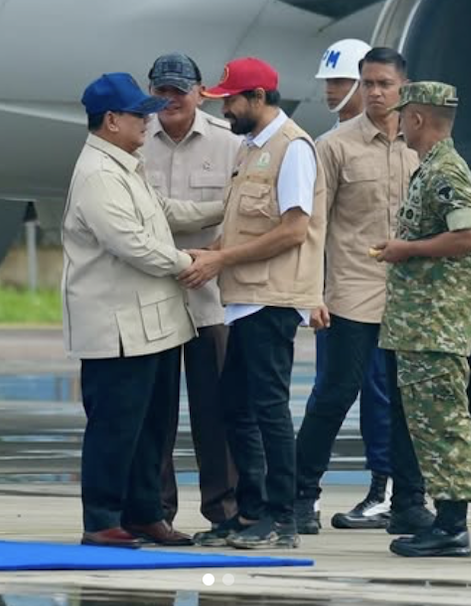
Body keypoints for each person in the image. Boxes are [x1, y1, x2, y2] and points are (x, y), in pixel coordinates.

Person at [61, 72, 222, 548]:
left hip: (152, 323)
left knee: (153, 427)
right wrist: (187, 263)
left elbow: (166, 213)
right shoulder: (97, 174)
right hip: (117, 328)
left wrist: (226, 206)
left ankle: (145, 513)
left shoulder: (124, 164)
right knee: (115, 426)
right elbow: (129, 242)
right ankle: (103, 519)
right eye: (139, 114)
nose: (148, 122)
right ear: (111, 121)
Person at [178, 57, 326, 550]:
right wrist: (212, 254)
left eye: (232, 101)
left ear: (258, 98)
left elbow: (293, 229)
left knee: (267, 409)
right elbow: (244, 225)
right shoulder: (250, 149)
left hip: (272, 299)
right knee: (234, 407)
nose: (225, 110)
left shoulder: (293, 149)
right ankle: (250, 512)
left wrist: (223, 261)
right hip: (243, 301)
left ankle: (281, 517)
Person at [294, 47, 427, 536]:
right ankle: (300, 495)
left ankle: (409, 502)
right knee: (334, 395)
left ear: (402, 87)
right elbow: (314, 227)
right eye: (367, 83)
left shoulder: (423, 143)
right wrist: (311, 293)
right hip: (351, 290)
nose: (374, 92)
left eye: (384, 84)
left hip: (408, 296)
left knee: (405, 400)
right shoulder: (334, 146)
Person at [375, 81, 471, 558]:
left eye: (404, 115)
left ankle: (453, 526)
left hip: (436, 324)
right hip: (420, 324)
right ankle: (444, 520)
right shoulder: (429, 169)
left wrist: (407, 250)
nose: (398, 123)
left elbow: (470, 237)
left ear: (417, 119)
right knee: (428, 424)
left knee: (443, 424)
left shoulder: (446, 172)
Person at [142, 53, 242, 531]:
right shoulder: (135, 141)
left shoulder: (229, 144)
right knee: (155, 417)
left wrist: (215, 256)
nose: (169, 100)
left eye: (178, 91)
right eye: (161, 91)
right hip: (152, 299)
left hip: (211, 300)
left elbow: (246, 215)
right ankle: (157, 514)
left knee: (217, 415)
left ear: (200, 92)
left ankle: (224, 513)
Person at [315, 38, 371, 130]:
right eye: (327, 81)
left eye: (338, 82)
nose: (328, 90)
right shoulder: (324, 141)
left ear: (363, 83)